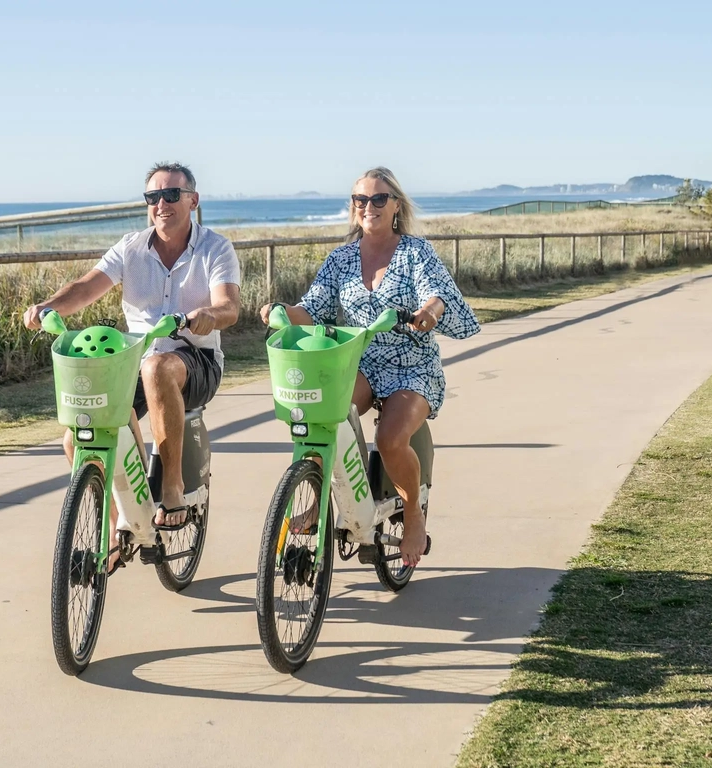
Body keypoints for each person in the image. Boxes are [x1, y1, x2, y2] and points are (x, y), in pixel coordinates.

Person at [24, 162, 241, 570]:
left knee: (157, 367)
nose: (161, 204)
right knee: (76, 438)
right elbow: (86, 287)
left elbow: (229, 306)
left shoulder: (215, 248)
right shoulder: (131, 247)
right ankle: (117, 522)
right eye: (153, 197)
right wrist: (48, 307)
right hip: (134, 361)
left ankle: (171, 486)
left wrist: (208, 315)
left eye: (171, 195)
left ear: (193, 201)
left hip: (196, 359)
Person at [259, 166, 480, 567]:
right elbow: (313, 309)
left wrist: (428, 313)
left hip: (411, 364)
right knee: (327, 416)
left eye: (379, 198)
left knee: (391, 438)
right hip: (357, 361)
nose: (368, 206)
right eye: (360, 199)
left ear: (396, 205)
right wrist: (282, 311)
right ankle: (322, 497)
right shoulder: (341, 258)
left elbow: (436, 295)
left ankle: (413, 515)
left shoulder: (415, 252)